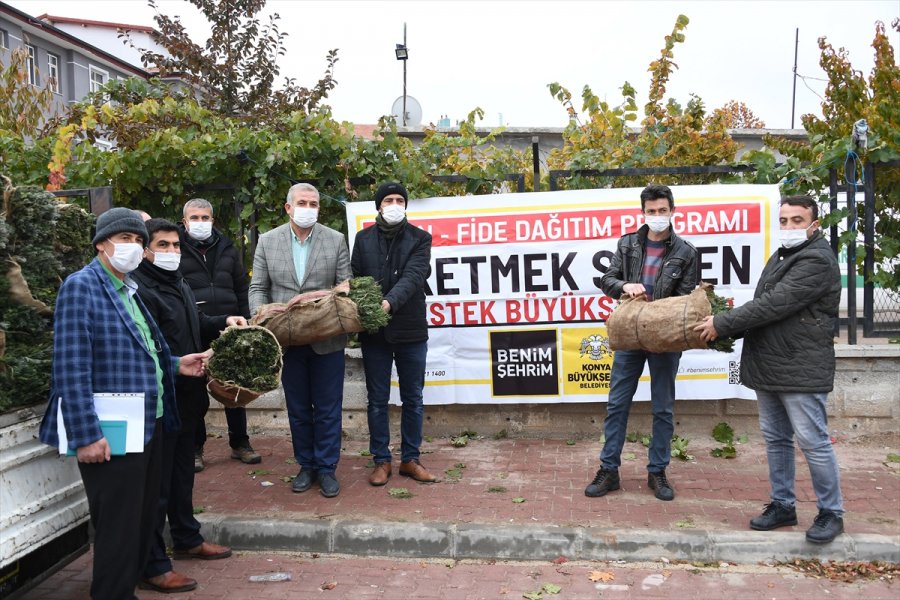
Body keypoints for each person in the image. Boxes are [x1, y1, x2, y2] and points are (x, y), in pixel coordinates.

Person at [38, 208, 209, 600]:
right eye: (124, 239)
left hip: (147, 424)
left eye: (137, 240)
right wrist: (86, 434)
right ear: (102, 243)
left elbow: (139, 352)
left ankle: (129, 586)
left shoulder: (128, 289)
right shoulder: (82, 287)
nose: (133, 246)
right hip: (110, 430)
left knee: (142, 519)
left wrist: (176, 364)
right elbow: (70, 366)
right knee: (118, 526)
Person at [694, 195, 845, 543]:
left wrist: (722, 323)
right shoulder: (782, 255)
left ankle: (831, 512)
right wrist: (725, 328)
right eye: (784, 220)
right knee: (777, 440)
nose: (789, 227)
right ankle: (782, 505)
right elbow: (764, 306)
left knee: (813, 442)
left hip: (800, 366)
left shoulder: (816, 260)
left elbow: (775, 304)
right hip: (771, 362)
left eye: (797, 220)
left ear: (814, 225)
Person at [132, 219, 244, 592]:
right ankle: (153, 564)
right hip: (162, 398)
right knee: (157, 485)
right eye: (162, 245)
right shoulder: (140, 289)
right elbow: (147, 348)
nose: (172, 252)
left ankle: (186, 537)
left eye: (176, 245)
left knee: (182, 476)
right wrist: (178, 363)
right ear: (145, 250)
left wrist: (223, 321)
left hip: (189, 396)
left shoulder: (176, 281)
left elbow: (194, 322)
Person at [585, 184, 698, 502]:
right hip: (629, 336)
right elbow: (607, 280)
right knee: (617, 405)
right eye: (652, 211)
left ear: (672, 211)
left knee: (662, 408)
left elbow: (685, 301)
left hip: (664, 339)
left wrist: (660, 317)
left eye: (663, 210)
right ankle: (609, 470)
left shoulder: (686, 252)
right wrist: (625, 285)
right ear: (643, 213)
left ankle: (657, 471)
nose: (657, 216)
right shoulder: (627, 244)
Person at [249, 183, 351, 498]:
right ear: (288, 207)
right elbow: (258, 287)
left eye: (314, 203)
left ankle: (327, 468)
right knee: (298, 408)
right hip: (287, 340)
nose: (308, 208)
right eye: (302, 202)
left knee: (328, 408)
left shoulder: (335, 239)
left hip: (327, 338)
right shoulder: (268, 241)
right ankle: (306, 465)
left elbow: (345, 285)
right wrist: (261, 316)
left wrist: (324, 297)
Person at [351, 182, 436, 486]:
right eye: (388, 200)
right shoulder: (363, 239)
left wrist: (387, 303)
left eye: (400, 200)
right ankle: (381, 460)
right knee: (377, 400)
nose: (395, 204)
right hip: (375, 334)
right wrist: (366, 310)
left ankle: (410, 459)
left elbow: (414, 276)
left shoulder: (420, 238)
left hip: (411, 330)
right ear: (379, 205)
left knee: (413, 398)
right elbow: (357, 279)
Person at [178, 198, 259, 470]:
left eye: (205, 218)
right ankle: (196, 448)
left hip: (228, 326)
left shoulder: (227, 248)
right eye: (195, 218)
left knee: (234, 387)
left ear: (212, 220)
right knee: (194, 392)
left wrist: (247, 320)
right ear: (185, 222)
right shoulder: (177, 250)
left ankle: (240, 443)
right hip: (194, 327)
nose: (200, 222)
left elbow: (241, 286)